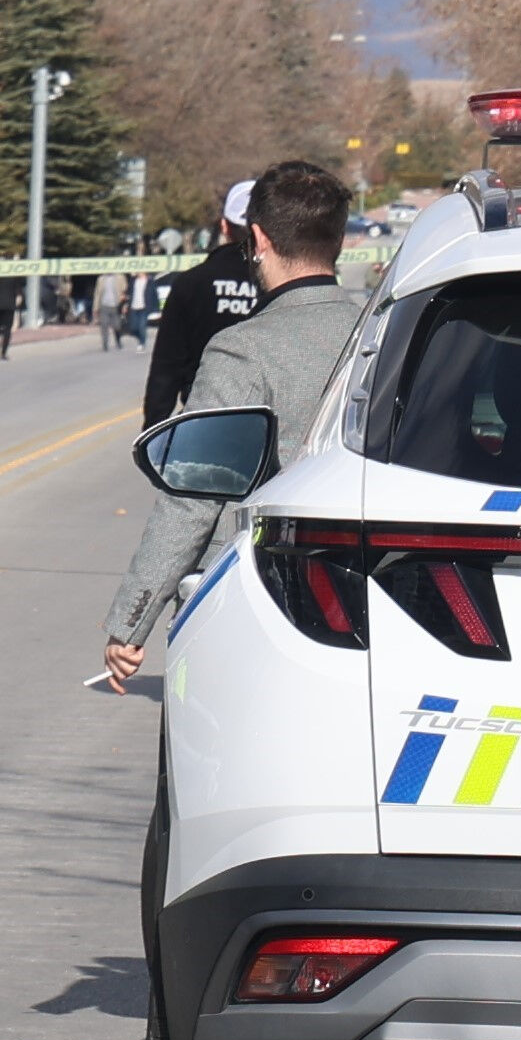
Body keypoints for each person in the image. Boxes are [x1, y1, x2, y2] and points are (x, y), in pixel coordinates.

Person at [100, 161, 361, 690]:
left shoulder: (242, 349)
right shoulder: (380, 334)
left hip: (256, 596)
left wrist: (131, 621)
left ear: (257, 239)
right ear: (338, 241)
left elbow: (194, 497)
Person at [143, 185, 265, 424]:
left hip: (202, 423)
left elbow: (166, 368)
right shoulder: (279, 285)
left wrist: (153, 429)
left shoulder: (191, 282)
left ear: (224, 226)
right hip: (268, 424)